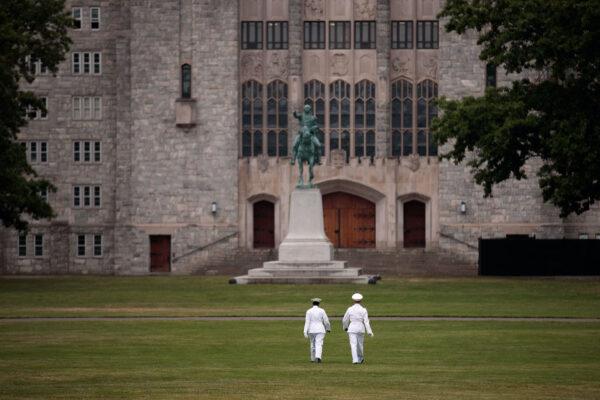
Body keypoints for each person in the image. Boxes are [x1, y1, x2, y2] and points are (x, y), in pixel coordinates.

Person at [342, 292, 374, 364]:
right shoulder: (363, 310)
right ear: (361, 300)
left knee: (353, 344)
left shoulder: (350, 309)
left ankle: (355, 360)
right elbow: (366, 321)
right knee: (360, 344)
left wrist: (345, 327)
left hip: (352, 328)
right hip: (360, 328)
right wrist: (369, 331)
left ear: (353, 300)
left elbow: (345, 319)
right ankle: (360, 358)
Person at [303, 297, 331, 363]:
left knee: (312, 343)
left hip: (311, 330)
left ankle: (312, 359)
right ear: (319, 303)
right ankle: (318, 357)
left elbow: (307, 322)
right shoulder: (322, 310)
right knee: (319, 343)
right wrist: (328, 328)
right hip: (320, 329)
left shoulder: (309, 311)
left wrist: (305, 331)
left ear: (312, 303)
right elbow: (326, 321)